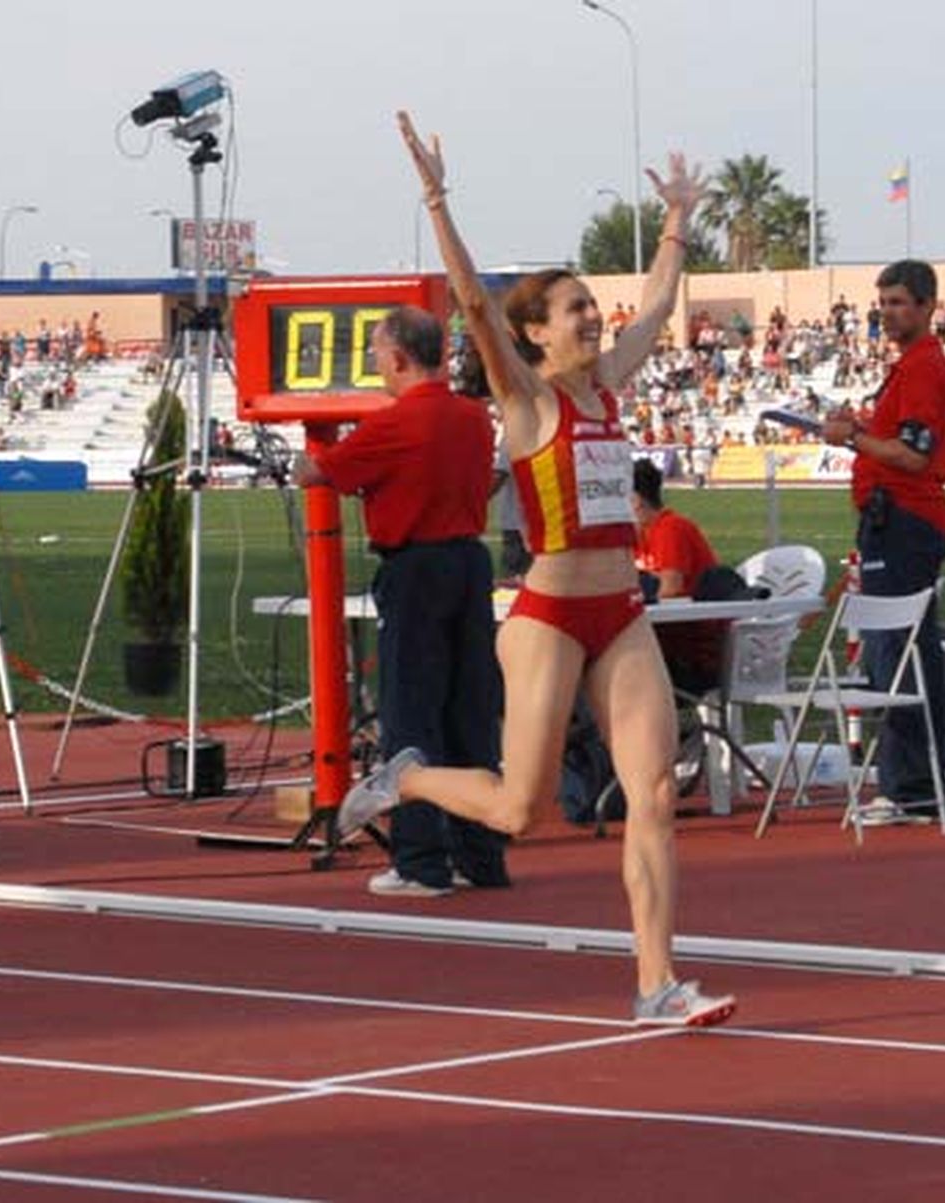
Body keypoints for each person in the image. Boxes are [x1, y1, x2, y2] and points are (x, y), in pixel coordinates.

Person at [339, 112, 735, 1028]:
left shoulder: (609, 384)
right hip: (550, 619)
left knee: (656, 796)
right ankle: (405, 780)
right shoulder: (526, 400)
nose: (595, 314)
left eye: (595, 302)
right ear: (536, 333)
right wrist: (437, 198)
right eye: (575, 307)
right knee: (519, 810)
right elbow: (474, 301)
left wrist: (675, 220)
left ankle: (656, 982)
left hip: (621, 617)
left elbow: (664, 301)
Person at [293, 306, 510, 898]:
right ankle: (481, 855)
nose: (376, 371)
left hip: (415, 568)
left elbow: (320, 473)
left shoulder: (394, 422)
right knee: (468, 713)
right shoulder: (473, 419)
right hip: (468, 564)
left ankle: (420, 861)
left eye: (377, 359)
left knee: (411, 716)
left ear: (396, 357)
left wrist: (301, 460)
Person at [820, 259, 945, 824]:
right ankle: (914, 786)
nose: (887, 312)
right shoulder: (910, 369)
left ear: (928, 306)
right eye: (882, 302)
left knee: (898, 658)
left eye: (899, 301)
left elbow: (913, 454)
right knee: (898, 656)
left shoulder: (924, 369)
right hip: (895, 520)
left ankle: (912, 789)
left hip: (904, 520)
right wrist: (861, 429)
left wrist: (854, 436)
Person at [630, 458, 725, 696]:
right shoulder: (643, 534)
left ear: (636, 501)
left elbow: (670, 588)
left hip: (690, 650)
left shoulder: (671, 529)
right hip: (670, 641)